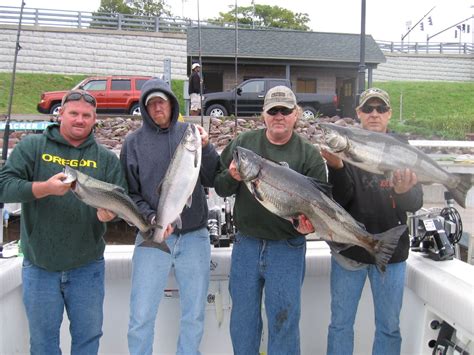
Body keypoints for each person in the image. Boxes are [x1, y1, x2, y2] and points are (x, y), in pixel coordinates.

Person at [0, 90, 125, 354]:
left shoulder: (106, 159)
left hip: (87, 267)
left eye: (86, 115)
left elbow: (119, 200)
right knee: (43, 343)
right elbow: (4, 186)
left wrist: (110, 214)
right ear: (60, 115)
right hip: (40, 266)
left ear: (94, 120)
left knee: (88, 340)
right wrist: (43, 188)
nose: (79, 120)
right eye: (74, 113)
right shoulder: (33, 147)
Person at [214, 86, 326, 355]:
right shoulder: (244, 146)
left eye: (285, 110)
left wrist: (310, 225)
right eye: (273, 110)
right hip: (246, 246)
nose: (279, 115)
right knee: (243, 320)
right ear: (263, 114)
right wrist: (232, 177)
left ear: (295, 114)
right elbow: (219, 187)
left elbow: (320, 206)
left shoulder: (308, 154)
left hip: (287, 248)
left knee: (284, 321)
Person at [322, 87, 424, 355]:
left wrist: (403, 193)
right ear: (358, 114)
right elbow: (340, 201)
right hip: (350, 252)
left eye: (380, 109)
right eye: (368, 109)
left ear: (389, 114)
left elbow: (415, 204)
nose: (374, 114)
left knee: (389, 327)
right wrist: (337, 168)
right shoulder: (346, 144)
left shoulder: (402, 147)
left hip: (392, 255)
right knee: (340, 325)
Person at [122, 77, 219, 355]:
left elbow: (213, 176)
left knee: (194, 315)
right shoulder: (133, 143)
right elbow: (130, 193)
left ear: (172, 103)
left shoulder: (191, 133)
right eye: (150, 104)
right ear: (143, 108)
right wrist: (153, 219)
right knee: (140, 317)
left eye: (160, 101)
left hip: (195, 237)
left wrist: (208, 147)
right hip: (152, 235)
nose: (156, 108)